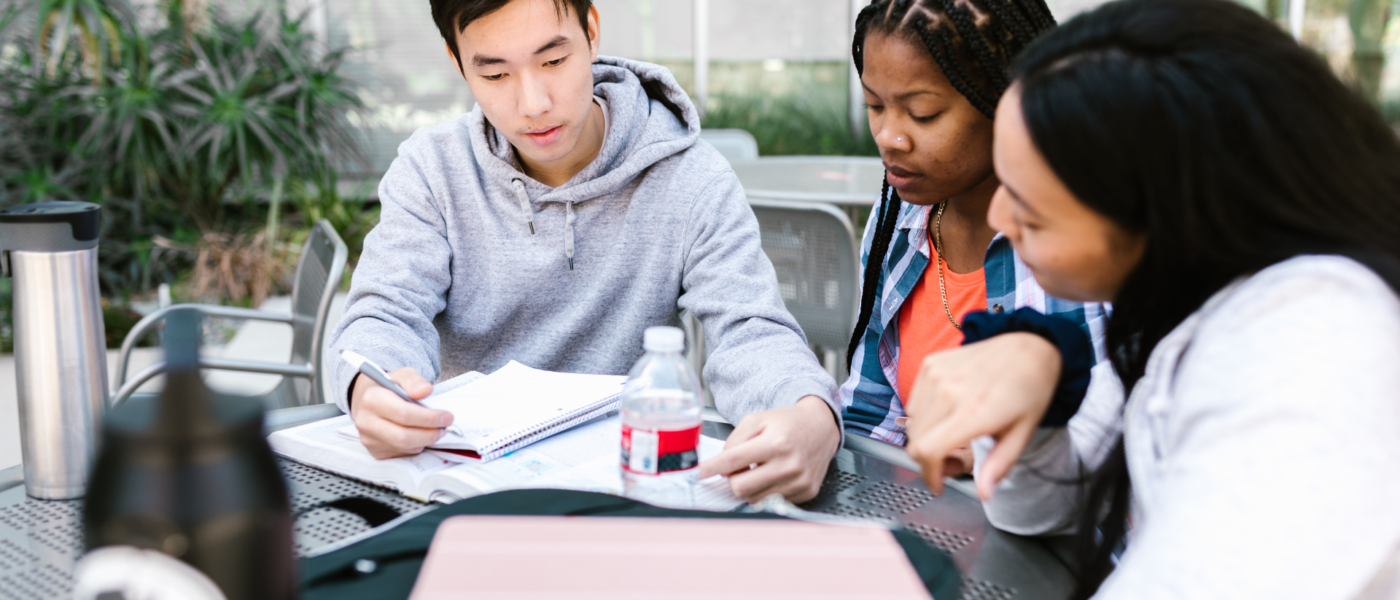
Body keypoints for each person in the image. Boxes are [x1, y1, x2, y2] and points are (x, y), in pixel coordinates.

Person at [902, 0, 1400, 597]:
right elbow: (1035, 510)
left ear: (1170, 209)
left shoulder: (1318, 346)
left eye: (1030, 205)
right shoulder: (1178, 305)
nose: (1003, 219)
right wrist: (1041, 387)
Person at [328, 0, 841, 503]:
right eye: (495, 75)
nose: (533, 103)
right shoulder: (432, 171)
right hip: (464, 486)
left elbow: (750, 331)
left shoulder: (691, 179)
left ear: (591, 30)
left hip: (623, 488)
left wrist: (811, 410)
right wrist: (370, 389)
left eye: (553, 61)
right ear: (457, 62)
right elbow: (384, 312)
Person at [840, 0, 1108, 471]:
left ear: (1009, 102)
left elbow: (1137, 426)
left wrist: (1013, 448)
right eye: (875, 105)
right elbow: (869, 415)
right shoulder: (897, 219)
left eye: (922, 113)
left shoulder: (1095, 234)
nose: (888, 136)